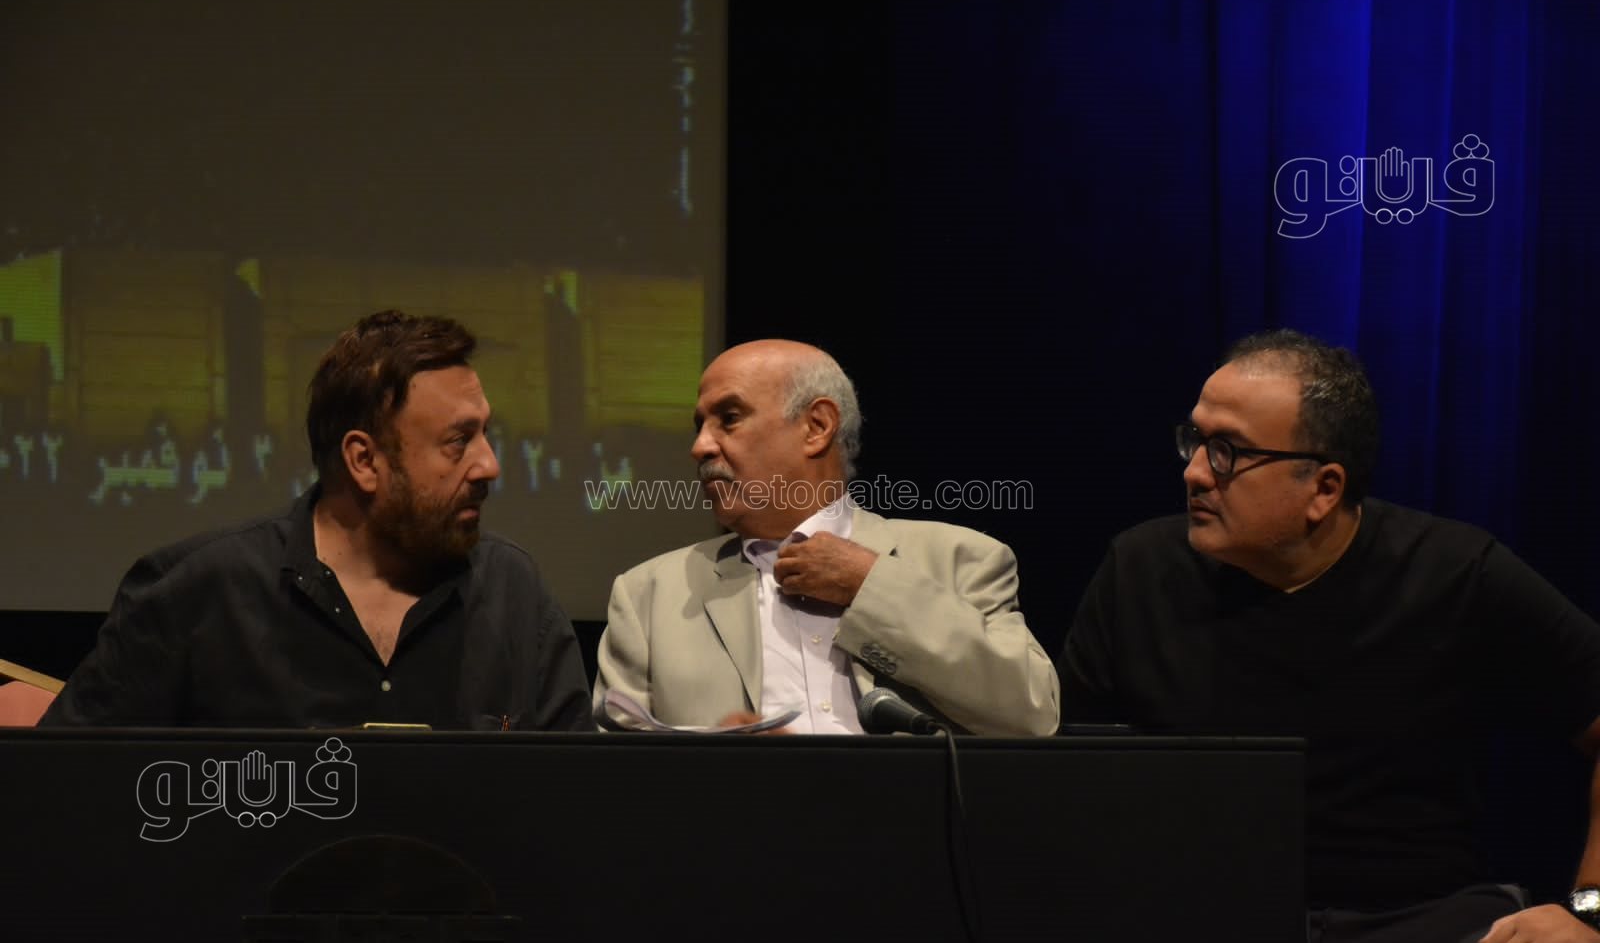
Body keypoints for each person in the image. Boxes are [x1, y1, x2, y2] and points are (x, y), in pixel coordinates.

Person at [1059, 329, 1600, 943]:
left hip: (1425, 935)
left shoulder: (1456, 574)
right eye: (1194, 441)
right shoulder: (1138, 571)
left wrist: (1591, 912)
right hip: (1210, 931)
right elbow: (1063, 776)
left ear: (1323, 488)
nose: (1194, 473)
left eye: (1227, 452)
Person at [42, 309, 592, 730]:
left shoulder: (515, 597)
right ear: (364, 461)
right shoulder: (197, 596)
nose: (490, 465)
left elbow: (577, 802)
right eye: (458, 441)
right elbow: (62, 792)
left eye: (485, 434)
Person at [593, 339, 1058, 736]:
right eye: (700, 426)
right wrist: (724, 766)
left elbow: (1032, 714)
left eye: (729, 418)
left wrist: (871, 585)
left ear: (816, 427)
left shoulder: (961, 559)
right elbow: (612, 776)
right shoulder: (648, 595)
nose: (700, 446)